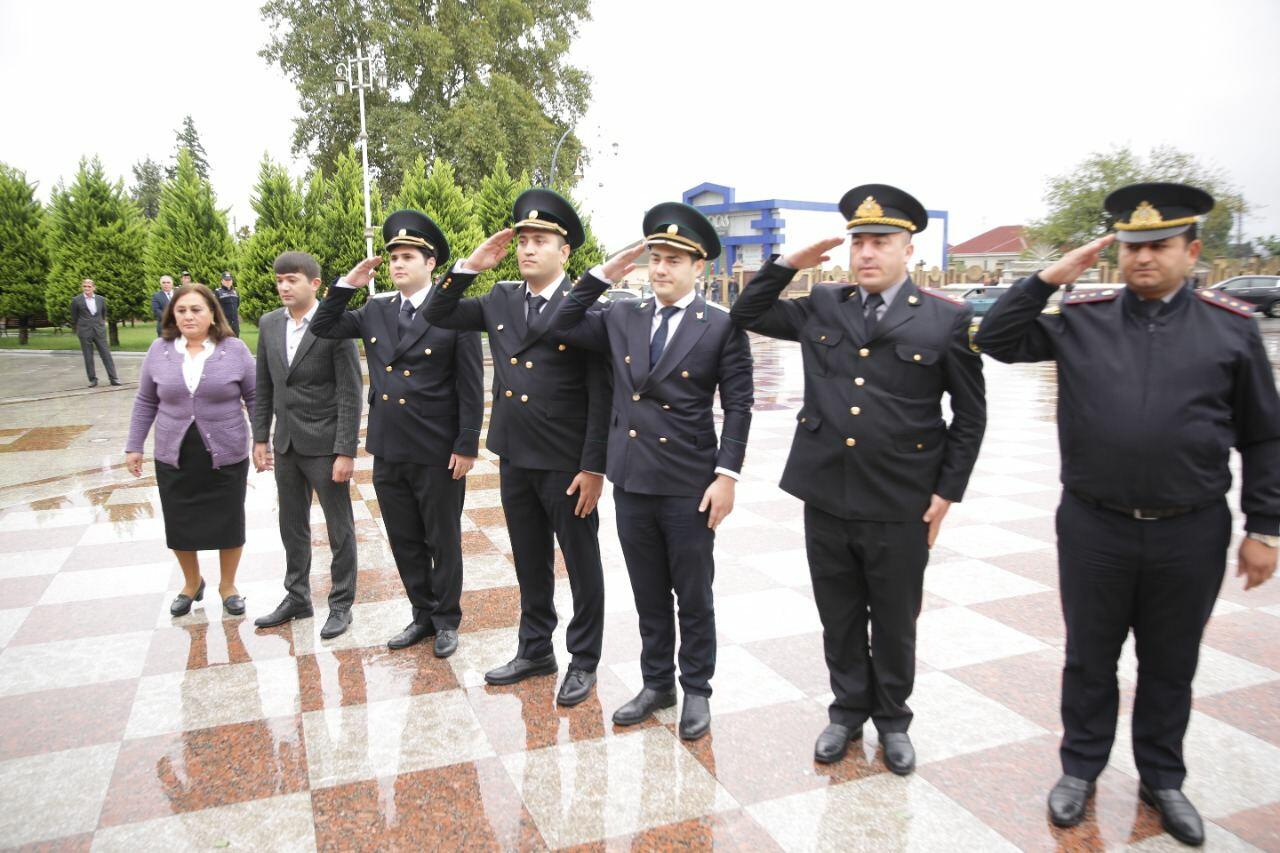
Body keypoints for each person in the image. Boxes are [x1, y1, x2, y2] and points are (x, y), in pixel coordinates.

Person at [974, 182, 1280, 847]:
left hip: (1191, 529)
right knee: (1089, 656)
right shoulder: (1082, 316)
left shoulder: (1230, 325)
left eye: (1160, 246)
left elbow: (1264, 435)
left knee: (1171, 661)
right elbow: (996, 338)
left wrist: (1265, 527)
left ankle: (1162, 779)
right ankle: (1080, 769)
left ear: (1191, 251)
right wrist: (1052, 276)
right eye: (1133, 246)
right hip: (1095, 525)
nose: (1143, 258)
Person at [731, 184, 986, 775]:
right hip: (827, 491)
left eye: (881, 242)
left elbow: (970, 415)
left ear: (908, 249)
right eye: (859, 242)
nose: (867, 252)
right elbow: (747, 314)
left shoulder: (946, 319)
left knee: (895, 619)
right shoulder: (825, 303)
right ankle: (846, 711)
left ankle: (893, 720)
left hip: (901, 498)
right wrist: (787, 263)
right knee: (840, 613)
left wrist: (946, 492)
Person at [537, 202, 753, 740]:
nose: (660, 268)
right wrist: (601, 274)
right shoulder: (622, 315)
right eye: (655, 258)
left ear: (699, 267)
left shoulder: (720, 325)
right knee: (649, 591)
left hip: (688, 483)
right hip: (632, 479)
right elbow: (559, 321)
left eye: (673, 260)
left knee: (693, 594)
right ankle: (657, 684)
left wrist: (727, 475)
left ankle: (696, 689)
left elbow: (740, 406)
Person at [423, 189, 610, 706]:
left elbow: (602, 390)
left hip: (568, 462)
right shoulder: (501, 298)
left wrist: (594, 466)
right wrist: (469, 267)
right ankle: (535, 649)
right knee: (530, 560)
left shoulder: (584, 305)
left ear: (564, 251)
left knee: (582, 563)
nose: (528, 248)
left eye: (540, 241)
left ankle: (584, 658)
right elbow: (438, 313)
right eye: (523, 240)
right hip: (516, 454)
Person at [311, 211, 483, 657]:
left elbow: (470, 385)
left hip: (437, 447)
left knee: (442, 539)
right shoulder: (376, 309)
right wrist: (346, 285)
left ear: (431, 263)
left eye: (408, 256)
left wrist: (467, 444)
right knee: (404, 538)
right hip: (389, 445)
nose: (398, 264)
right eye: (393, 258)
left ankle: (446, 620)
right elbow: (323, 326)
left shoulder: (452, 311)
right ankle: (422, 614)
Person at [125, 283, 256, 618]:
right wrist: (134, 445)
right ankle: (191, 582)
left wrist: (262, 441)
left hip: (226, 452)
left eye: (196, 310)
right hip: (174, 452)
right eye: (181, 310)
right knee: (180, 521)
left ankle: (228, 586)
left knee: (229, 520)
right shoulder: (159, 350)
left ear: (212, 313)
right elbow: (145, 401)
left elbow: (255, 397)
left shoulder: (234, 349)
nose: (188, 316)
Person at [251, 252, 363, 640]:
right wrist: (260, 437)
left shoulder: (334, 324)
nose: (283, 286)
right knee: (291, 524)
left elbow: (350, 390)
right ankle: (297, 596)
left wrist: (345, 450)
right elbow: (263, 384)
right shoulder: (269, 324)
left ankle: (341, 603)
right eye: (279, 280)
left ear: (315, 284)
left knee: (339, 529)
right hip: (285, 444)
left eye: (292, 279)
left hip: (325, 444)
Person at [69, 279, 120, 387]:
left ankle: (113, 378)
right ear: (82, 287)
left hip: (99, 331)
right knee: (88, 356)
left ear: (94, 288)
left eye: (89, 286)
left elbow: (103, 313)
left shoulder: (101, 299)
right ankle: (92, 379)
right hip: (84, 331)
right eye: (84, 286)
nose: (87, 288)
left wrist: (100, 324)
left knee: (106, 354)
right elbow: (74, 317)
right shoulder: (76, 300)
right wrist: (82, 326)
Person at [215, 271, 241, 337]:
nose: (228, 282)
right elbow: (215, 307)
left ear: (232, 281)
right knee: (224, 340)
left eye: (229, 280)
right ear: (222, 281)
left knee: (235, 340)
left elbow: (237, 305)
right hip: (224, 323)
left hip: (235, 324)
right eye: (226, 280)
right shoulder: (218, 292)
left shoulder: (235, 292)